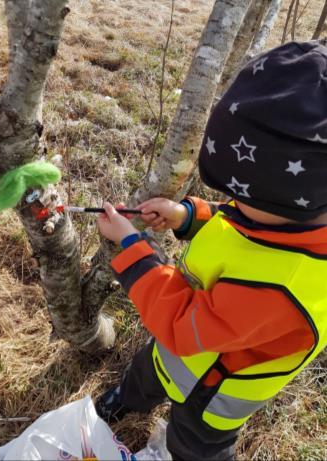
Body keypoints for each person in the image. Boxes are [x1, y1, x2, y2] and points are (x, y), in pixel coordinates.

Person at [95, 40, 327, 461]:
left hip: (214, 392)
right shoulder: (292, 216)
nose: (234, 199)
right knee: (147, 374)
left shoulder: (287, 287)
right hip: (179, 353)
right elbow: (238, 221)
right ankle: (127, 398)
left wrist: (132, 248)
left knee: (196, 445)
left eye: (245, 192)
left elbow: (185, 325)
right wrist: (187, 216)